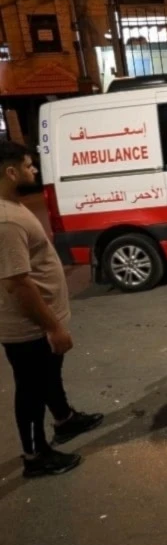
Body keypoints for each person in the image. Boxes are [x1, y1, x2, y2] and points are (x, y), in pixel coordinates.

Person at [0, 143, 104, 478]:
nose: (34, 171)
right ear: (10, 172)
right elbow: (17, 284)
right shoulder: (6, 221)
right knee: (30, 388)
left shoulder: (12, 206)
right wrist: (53, 327)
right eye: (29, 166)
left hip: (41, 320)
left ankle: (64, 419)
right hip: (29, 326)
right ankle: (35, 455)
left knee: (47, 375)